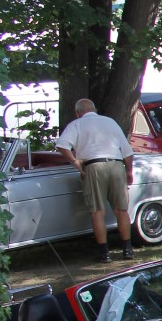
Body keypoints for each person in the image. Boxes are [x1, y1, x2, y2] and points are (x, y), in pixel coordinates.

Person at [55, 98, 135, 262]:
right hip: (116, 164)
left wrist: (75, 161)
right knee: (122, 210)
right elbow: (127, 151)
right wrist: (129, 171)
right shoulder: (110, 122)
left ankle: (104, 253)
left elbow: (62, 145)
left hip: (93, 166)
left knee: (98, 211)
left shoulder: (76, 125)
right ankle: (127, 250)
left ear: (78, 113)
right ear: (95, 109)